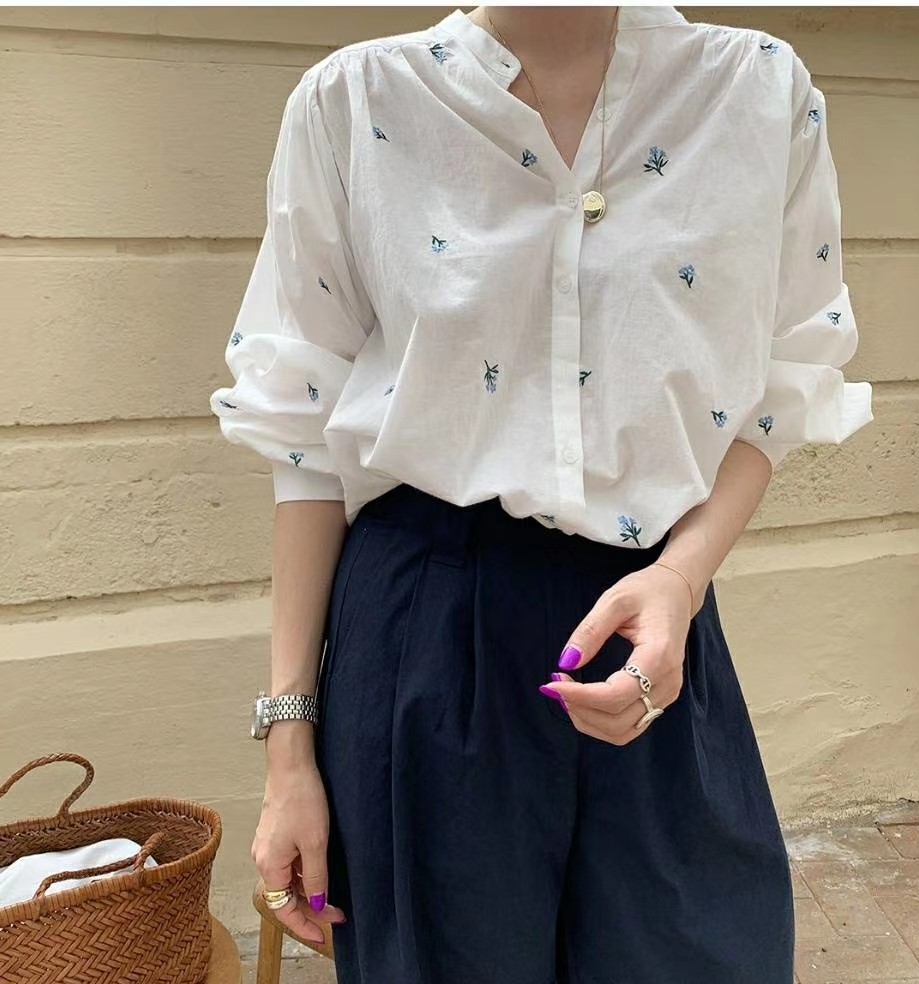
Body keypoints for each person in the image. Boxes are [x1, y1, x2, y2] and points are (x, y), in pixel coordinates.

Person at [210, 6, 873, 982]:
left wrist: (681, 579)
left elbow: (784, 379)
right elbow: (304, 438)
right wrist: (288, 750)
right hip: (428, 632)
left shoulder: (758, 92)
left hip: (655, 628)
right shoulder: (354, 103)